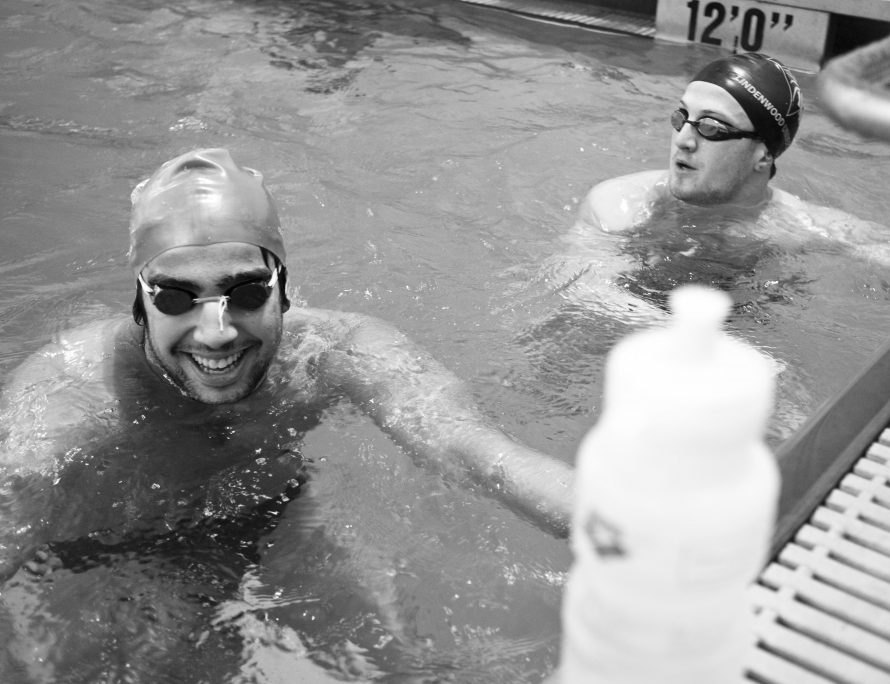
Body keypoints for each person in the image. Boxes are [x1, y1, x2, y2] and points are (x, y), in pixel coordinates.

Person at [0, 148, 573, 678]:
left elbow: (473, 453)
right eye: (176, 297)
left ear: (284, 289)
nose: (217, 332)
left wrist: (637, 524)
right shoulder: (73, 396)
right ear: (140, 303)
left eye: (246, 292)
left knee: (400, 663)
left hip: (270, 510)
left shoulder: (331, 351)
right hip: (109, 552)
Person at [546, 52, 890, 322]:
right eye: (682, 117)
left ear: (763, 154)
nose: (685, 139)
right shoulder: (619, 206)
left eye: (711, 127)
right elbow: (581, 292)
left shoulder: (800, 225)